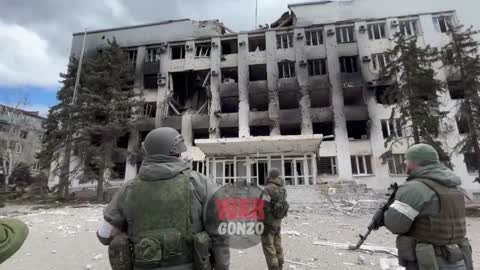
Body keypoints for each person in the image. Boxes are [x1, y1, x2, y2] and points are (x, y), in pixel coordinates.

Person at [97, 127, 230, 270]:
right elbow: (220, 233)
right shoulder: (199, 183)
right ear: (176, 152)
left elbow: (104, 235)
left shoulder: (128, 188)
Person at [384, 144, 473, 270]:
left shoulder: (414, 188)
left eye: (407, 159)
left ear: (415, 162)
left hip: (429, 261)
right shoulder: (456, 186)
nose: (404, 162)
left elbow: (396, 225)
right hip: (458, 257)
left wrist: (387, 213)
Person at [261, 168, 288, 270]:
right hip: (278, 220)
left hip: (268, 221)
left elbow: (264, 206)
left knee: (268, 245)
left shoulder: (268, 188)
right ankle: (280, 264)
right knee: (277, 242)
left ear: (270, 176)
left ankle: (273, 267)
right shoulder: (283, 188)